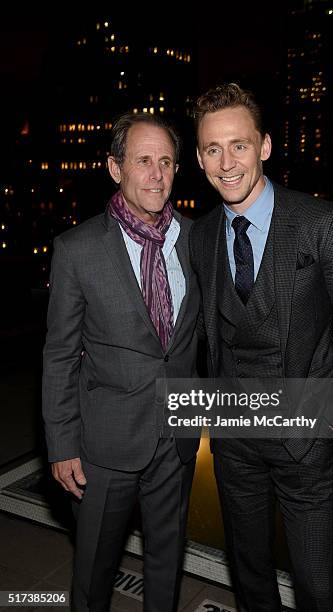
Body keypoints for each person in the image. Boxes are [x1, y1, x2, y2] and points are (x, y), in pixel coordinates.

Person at [190, 83, 333, 612]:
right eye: (212, 148)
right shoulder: (202, 235)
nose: (226, 162)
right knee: (251, 583)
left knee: (320, 590)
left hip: (306, 448)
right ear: (199, 156)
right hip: (234, 446)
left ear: (266, 146)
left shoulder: (323, 224)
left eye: (239, 145)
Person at [42, 111, 200, 612]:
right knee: (94, 571)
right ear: (115, 168)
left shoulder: (197, 241)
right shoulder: (78, 249)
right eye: (144, 161)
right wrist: (62, 443)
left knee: (166, 563)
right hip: (105, 446)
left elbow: (235, 314)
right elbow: (61, 353)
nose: (157, 174)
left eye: (167, 162)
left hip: (176, 438)